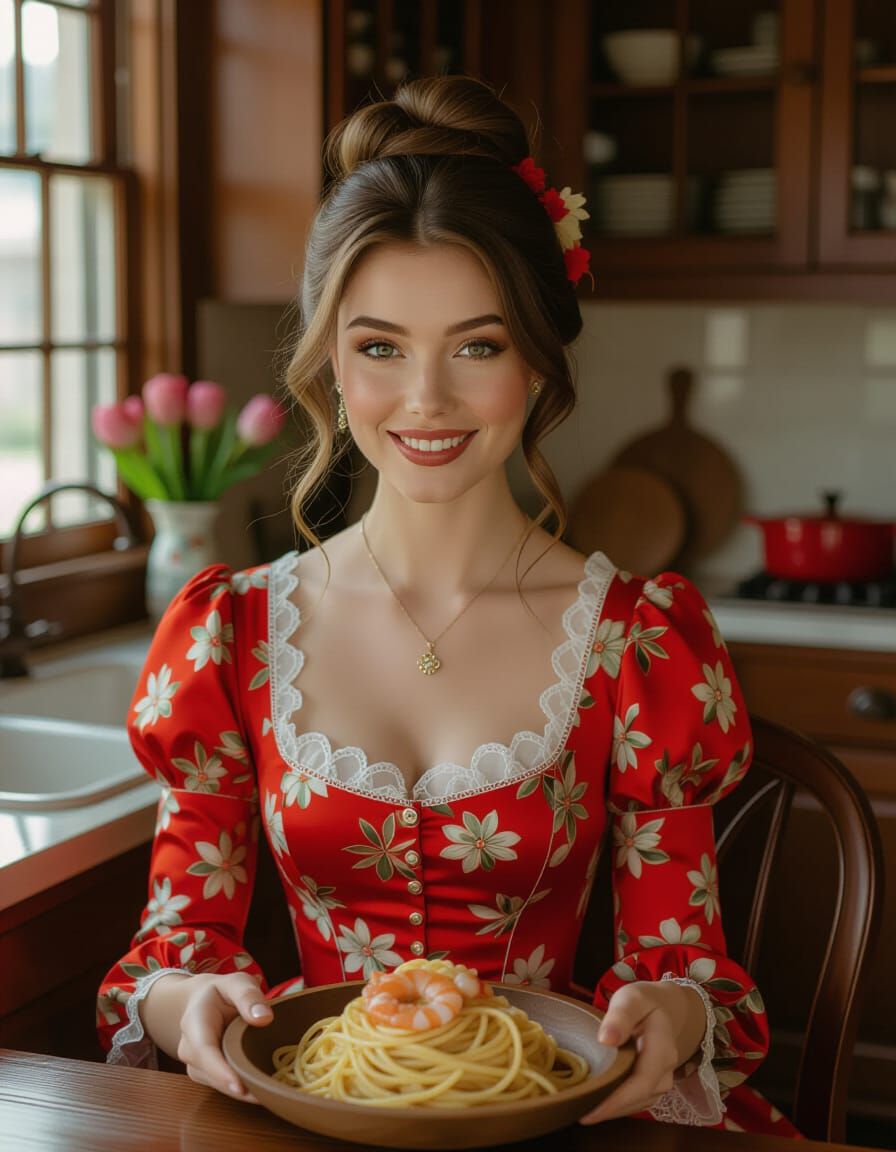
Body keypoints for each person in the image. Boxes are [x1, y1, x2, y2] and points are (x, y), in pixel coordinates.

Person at [97, 74, 798, 1135]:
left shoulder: (637, 639)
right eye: (380, 347)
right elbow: (175, 947)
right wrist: (188, 1005)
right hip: (312, 1110)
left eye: (477, 345)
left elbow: (683, 965)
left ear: (536, 360)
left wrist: (672, 1012)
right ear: (331, 361)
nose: (424, 398)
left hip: (552, 1117)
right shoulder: (230, 633)